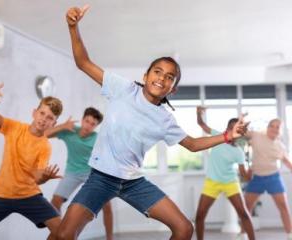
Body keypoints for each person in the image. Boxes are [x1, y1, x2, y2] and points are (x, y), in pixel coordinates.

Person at [56, 5, 248, 240]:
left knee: (184, 228)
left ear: (172, 88)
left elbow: (193, 144)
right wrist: (73, 27)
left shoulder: (165, 118)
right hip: (101, 178)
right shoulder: (123, 89)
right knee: (64, 235)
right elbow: (83, 62)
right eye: (158, 72)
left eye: (169, 77)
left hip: (133, 182)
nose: (162, 78)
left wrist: (228, 136)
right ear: (146, 76)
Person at [0, 83, 63, 240]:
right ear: (34, 113)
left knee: (61, 231)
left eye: (50, 118)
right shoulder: (14, 127)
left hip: (29, 195)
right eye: (42, 113)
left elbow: (37, 177)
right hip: (0, 193)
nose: (44, 119)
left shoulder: (45, 146)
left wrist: (45, 177)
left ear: (53, 124)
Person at [45, 107, 113, 240]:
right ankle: (60, 231)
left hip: (92, 174)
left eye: (93, 124)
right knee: (55, 201)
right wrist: (62, 126)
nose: (88, 126)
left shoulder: (97, 139)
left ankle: (110, 238)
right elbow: (44, 134)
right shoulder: (69, 131)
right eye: (87, 121)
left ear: (96, 126)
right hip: (72, 173)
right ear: (82, 120)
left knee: (107, 205)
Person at [194, 106, 255, 240]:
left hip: (230, 182)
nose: (235, 130)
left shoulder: (238, 152)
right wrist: (199, 113)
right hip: (212, 181)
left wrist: (250, 168)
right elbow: (201, 124)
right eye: (232, 128)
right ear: (227, 129)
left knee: (244, 214)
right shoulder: (217, 135)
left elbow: (245, 176)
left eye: (238, 128)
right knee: (199, 216)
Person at [243, 118, 292, 240]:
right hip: (257, 178)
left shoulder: (280, 146)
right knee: (246, 207)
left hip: (273, 177)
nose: (274, 129)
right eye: (272, 126)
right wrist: (243, 121)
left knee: (284, 207)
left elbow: (286, 161)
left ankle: (290, 235)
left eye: (277, 127)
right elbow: (243, 132)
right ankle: (242, 234)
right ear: (268, 126)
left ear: (280, 131)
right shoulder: (257, 136)